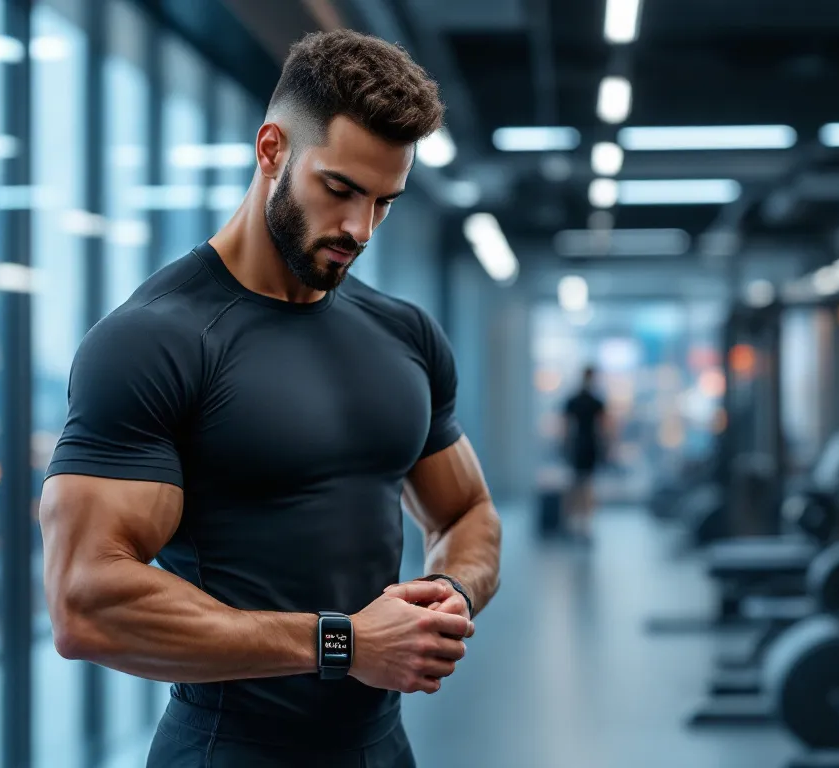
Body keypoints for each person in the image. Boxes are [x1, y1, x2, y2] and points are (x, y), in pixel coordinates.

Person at [37, 30, 502, 768]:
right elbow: (86, 602)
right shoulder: (155, 340)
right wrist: (343, 643)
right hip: (228, 750)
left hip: (382, 749)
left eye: (384, 201)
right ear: (272, 149)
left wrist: (450, 594)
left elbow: (467, 512)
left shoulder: (404, 333)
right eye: (340, 189)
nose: (359, 228)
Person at [561, 366, 608, 540]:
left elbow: (566, 427)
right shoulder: (594, 401)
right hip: (587, 445)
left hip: (579, 445)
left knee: (578, 484)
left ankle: (576, 524)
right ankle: (581, 524)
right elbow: (603, 427)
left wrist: (565, 445)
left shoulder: (576, 400)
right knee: (584, 485)